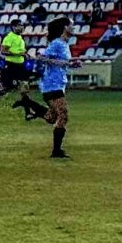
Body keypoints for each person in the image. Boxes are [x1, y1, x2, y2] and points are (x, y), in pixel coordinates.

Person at [39, 16, 74, 160]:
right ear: (65, 27)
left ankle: (29, 105)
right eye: (71, 25)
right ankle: (56, 151)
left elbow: (62, 62)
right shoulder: (57, 43)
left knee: (52, 117)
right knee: (63, 115)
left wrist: (70, 64)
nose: (74, 27)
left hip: (59, 84)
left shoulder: (65, 44)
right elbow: (42, 57)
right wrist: (60, 63)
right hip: (51, 84)